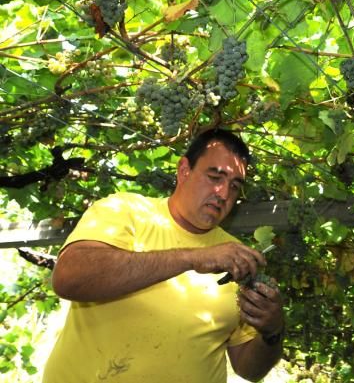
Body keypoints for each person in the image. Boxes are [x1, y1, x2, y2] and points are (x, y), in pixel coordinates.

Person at [43, 129, 285, 383]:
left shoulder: (236, 257)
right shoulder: (126, 210)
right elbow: (69, 278)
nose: (223, 194)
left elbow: (250, 370)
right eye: (215, 176)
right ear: (184, 170)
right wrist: (191, 258)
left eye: (235, 186)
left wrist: (272, 332)